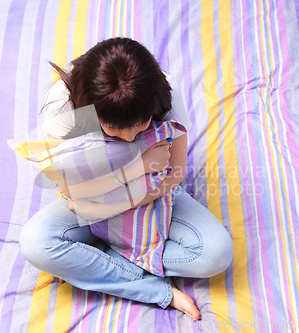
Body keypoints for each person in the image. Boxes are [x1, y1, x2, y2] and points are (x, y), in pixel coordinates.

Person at [19, 37, 233, 320]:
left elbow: (175, 174)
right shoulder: (64, 100)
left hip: (150, 195)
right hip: (94, 201)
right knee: (36, 242)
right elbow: (72, 191)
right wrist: (140, 167)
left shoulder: (163, 90)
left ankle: (98, 259)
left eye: (140, 124)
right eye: (113, 130)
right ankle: (154, 290)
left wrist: (106, 204)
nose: (129, 138)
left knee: (215, 254)